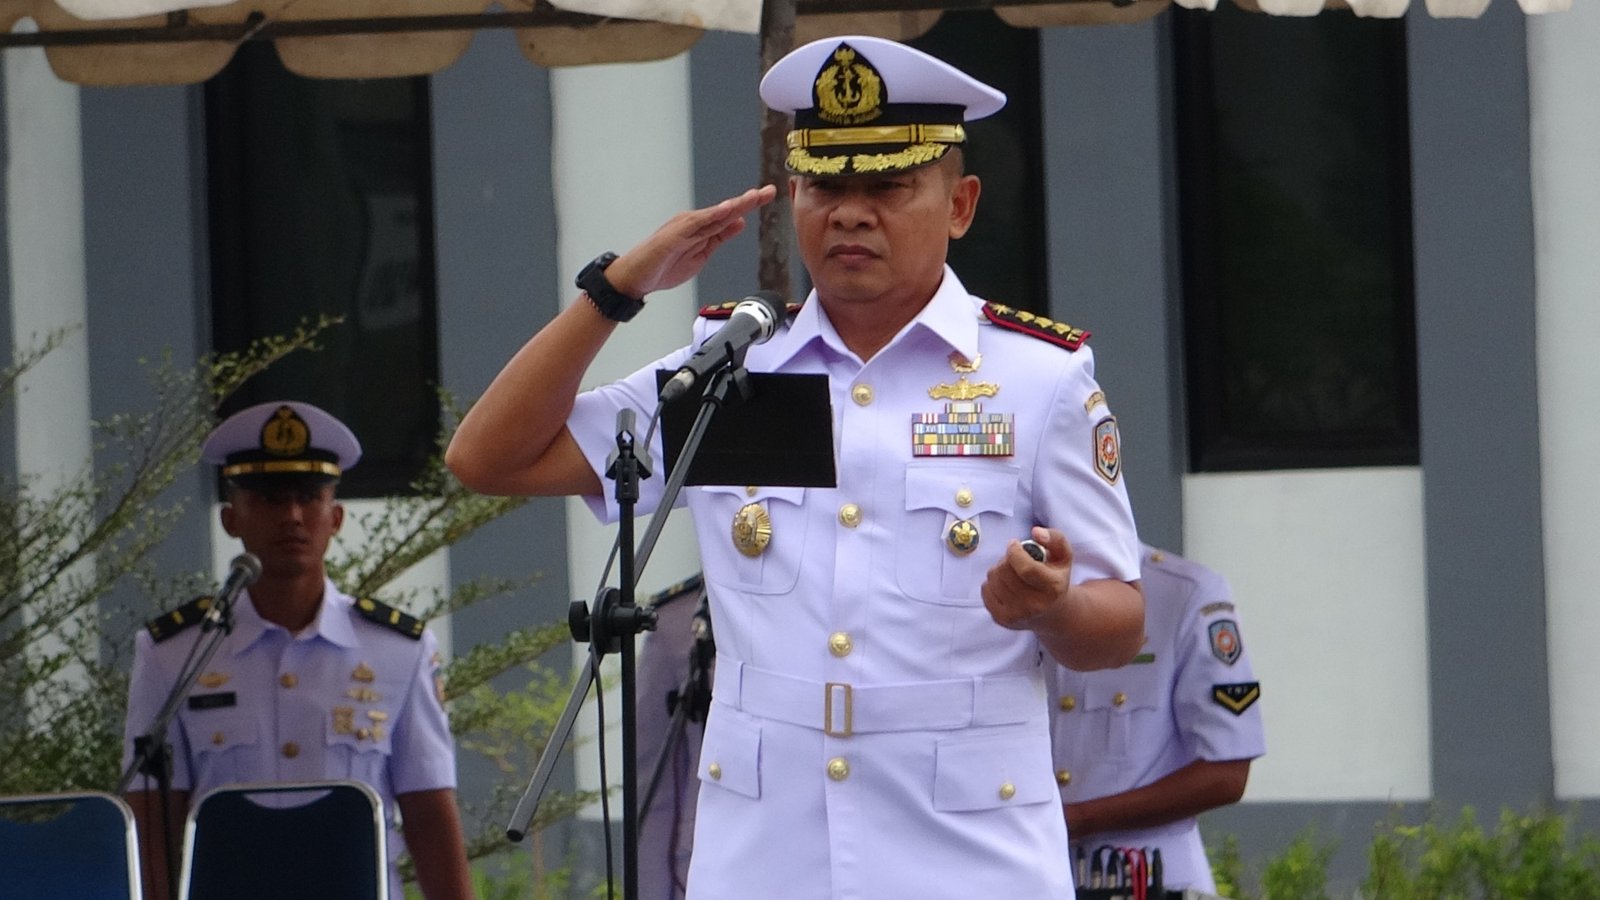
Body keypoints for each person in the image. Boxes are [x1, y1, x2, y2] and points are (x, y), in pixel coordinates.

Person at [447, 35, 1144, 899]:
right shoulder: (733, 363)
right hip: (765, 849)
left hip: (967, 850)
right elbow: (489, 457)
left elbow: (1121, 625)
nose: (850, 214)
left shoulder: (1037, 379)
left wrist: (1054, 606)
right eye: (824, 186)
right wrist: (618, 288)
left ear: (960, 205)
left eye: (887, 186)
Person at [122, 401, 473, 900]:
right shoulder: (175, 653)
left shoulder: (399, 650)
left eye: (308, 498)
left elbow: (430, 816)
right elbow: (153, 826)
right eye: (268, 499)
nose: (291, 516)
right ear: (230, 519)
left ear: (335, 517)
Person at [1048, 545, 1265, 894]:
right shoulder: (1006, 591)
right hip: (1032, 875)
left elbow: (1227, 773)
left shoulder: (1186, 592)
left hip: (1149, 876)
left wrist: (1078, 819)